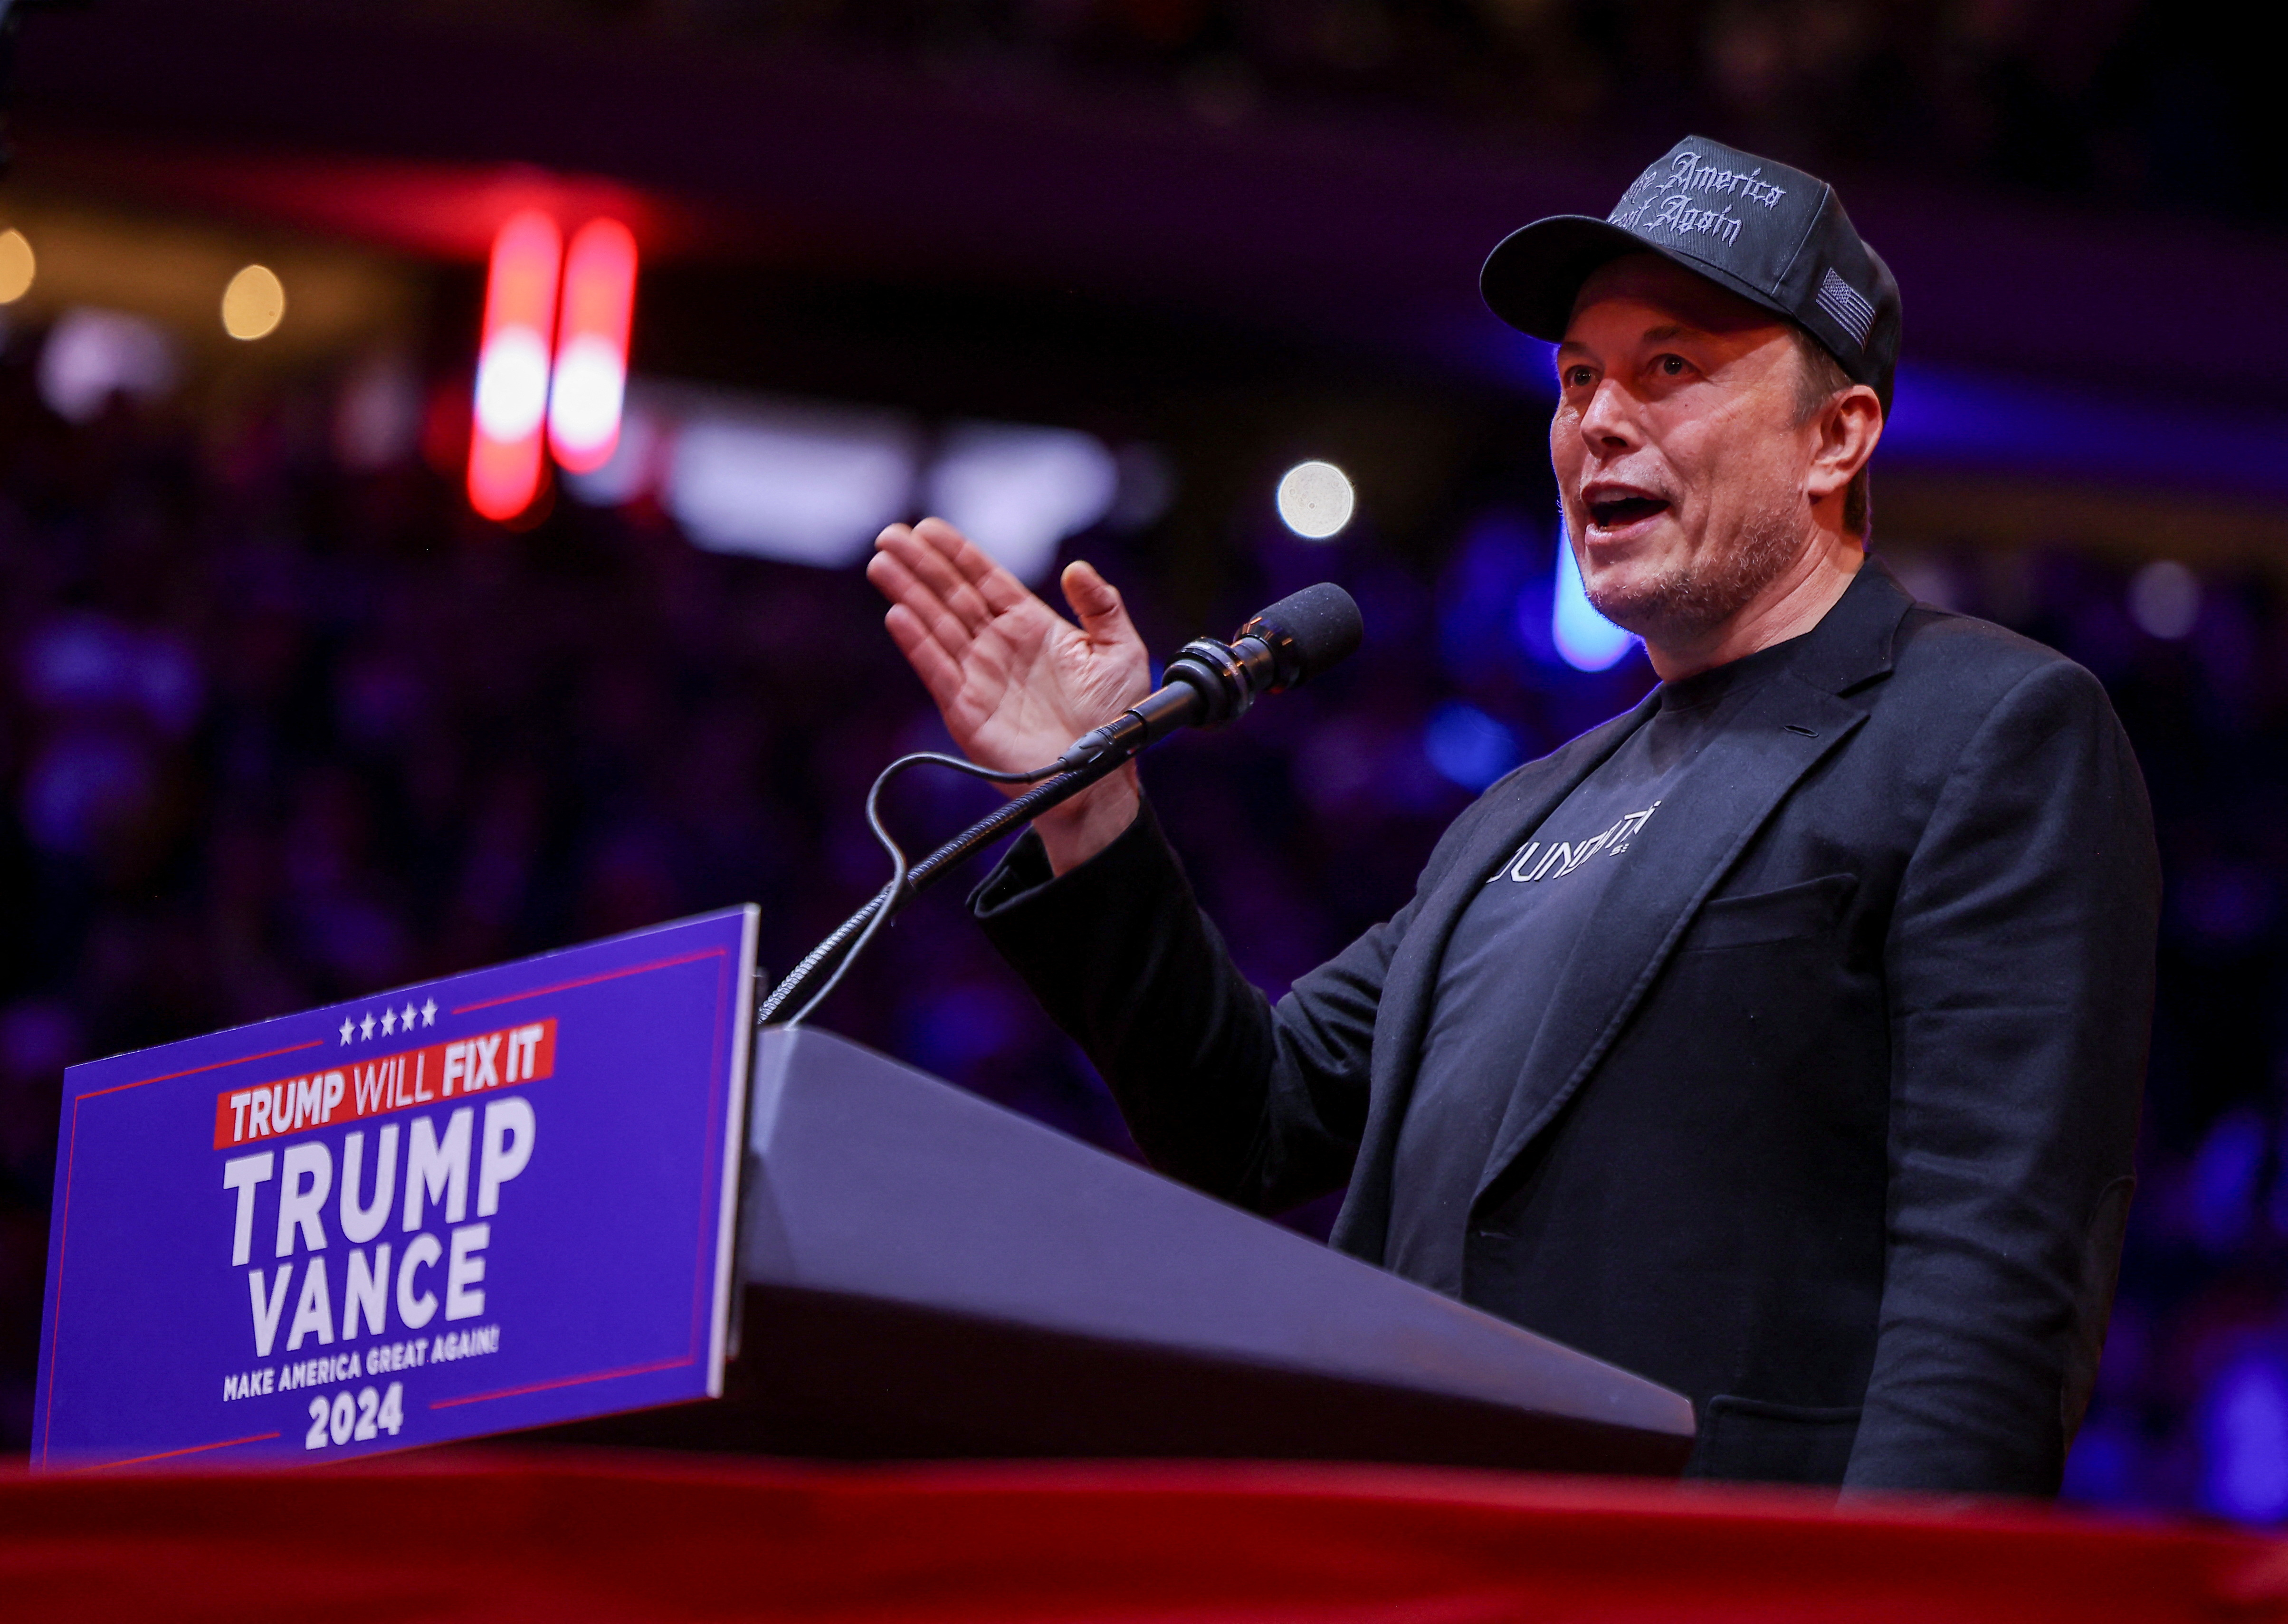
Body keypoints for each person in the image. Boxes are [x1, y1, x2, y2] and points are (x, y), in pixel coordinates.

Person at [865, 135, 2158, 1494]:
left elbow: (1993, 1284)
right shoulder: (1517, 818)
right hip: (1430, 1569)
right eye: (1579, 377)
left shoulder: (1987, 730)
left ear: (1835, 435)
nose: (1600, 418)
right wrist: (1096, 801)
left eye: (1671, 367)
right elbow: (1249, 1117)